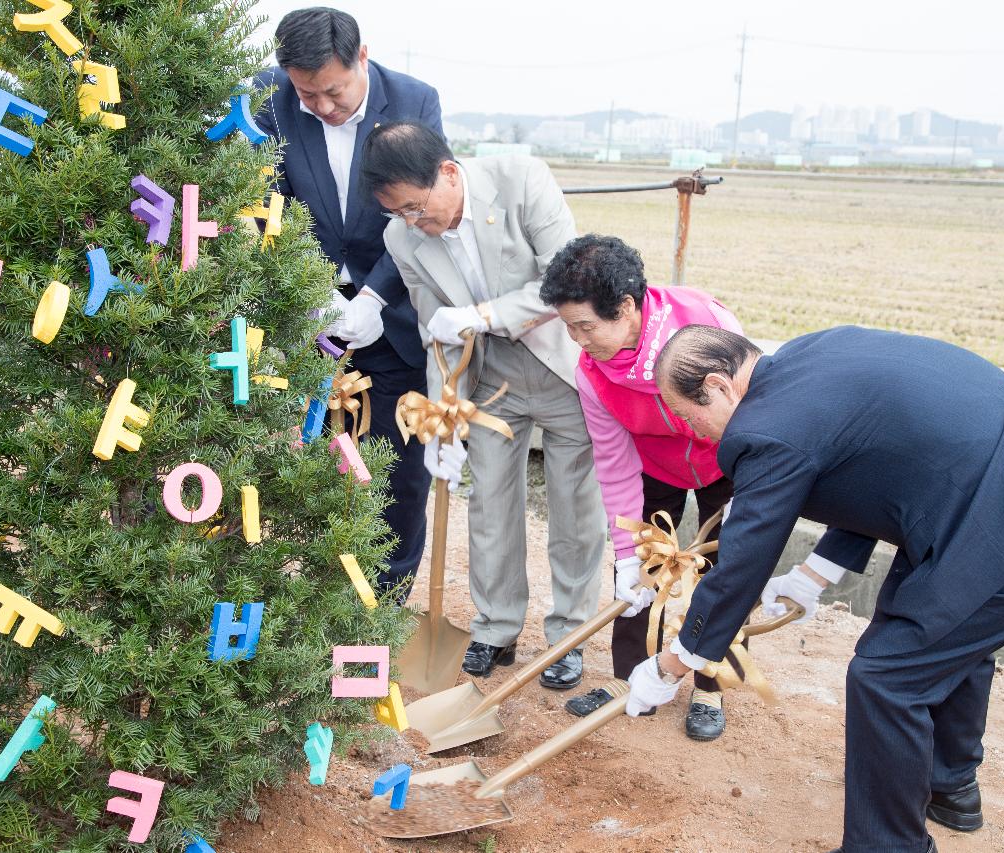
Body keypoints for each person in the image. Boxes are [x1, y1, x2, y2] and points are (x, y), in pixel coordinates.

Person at [626, 325, 1004, 853]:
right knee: (945, 641)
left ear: (719, 385)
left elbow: (738, 569)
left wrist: (672, 666)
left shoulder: (767, 430)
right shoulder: (812, 354)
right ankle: (949, 784)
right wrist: (813, 576)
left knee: (889, 675)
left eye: (688, 414)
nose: (696, 432)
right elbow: (873, 463)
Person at [539, 233, 855, 741]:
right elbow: (614, 462)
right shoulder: (593, 373)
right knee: (644, 571)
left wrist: (750, 491)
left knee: (729, 568)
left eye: (585, 326)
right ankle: (630, 678)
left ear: (624, 307)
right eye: (568, 327)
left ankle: (710, 683)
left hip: (729, 457)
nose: (578, 340)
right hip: (655, 464)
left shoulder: (704, 322)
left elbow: (752, 402)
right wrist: (624, 552)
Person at [359, 121, 603, 688]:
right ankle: (495, 628)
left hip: (564, 367)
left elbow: (563, 280)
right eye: (399, 215)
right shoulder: (403, 239)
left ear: (448, 173)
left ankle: (569, 635)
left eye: (418, 208)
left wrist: (484, 315)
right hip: (491, 380)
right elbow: (434, 331)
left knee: (573, 509)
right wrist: (444, 419)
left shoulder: (521, 181)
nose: (415, 224)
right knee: (489, 505)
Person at [252, 8, 443, 597]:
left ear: (361, 57)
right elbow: (262, 202)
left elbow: (419, 213)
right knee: (313, 457)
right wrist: (308, 294)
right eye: (307, 94)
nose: (322, 107)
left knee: (398, 468)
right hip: (308, 314)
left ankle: (385, 597)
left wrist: (374, 297)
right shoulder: (267, 97)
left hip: (392, 310)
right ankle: (320, 593)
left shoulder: (414, 99)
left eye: (332, 92)